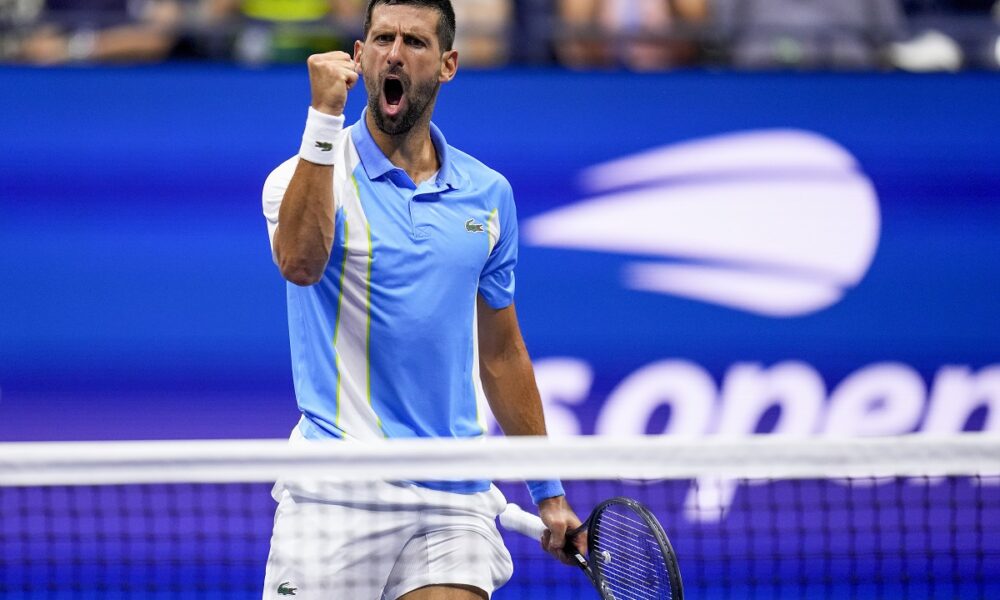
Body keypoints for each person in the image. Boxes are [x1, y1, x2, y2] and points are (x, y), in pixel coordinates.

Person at [259, 0, 581, 597]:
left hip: (452, 496)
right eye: (382, 38)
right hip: (337, 491)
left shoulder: (489, 195)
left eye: (414, 41)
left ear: (448, 64)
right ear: (359, 56)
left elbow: (502, 354)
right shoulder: (300, 176)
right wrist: (323, 116)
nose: (395, 53)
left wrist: (549, 491)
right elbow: (300, 265)